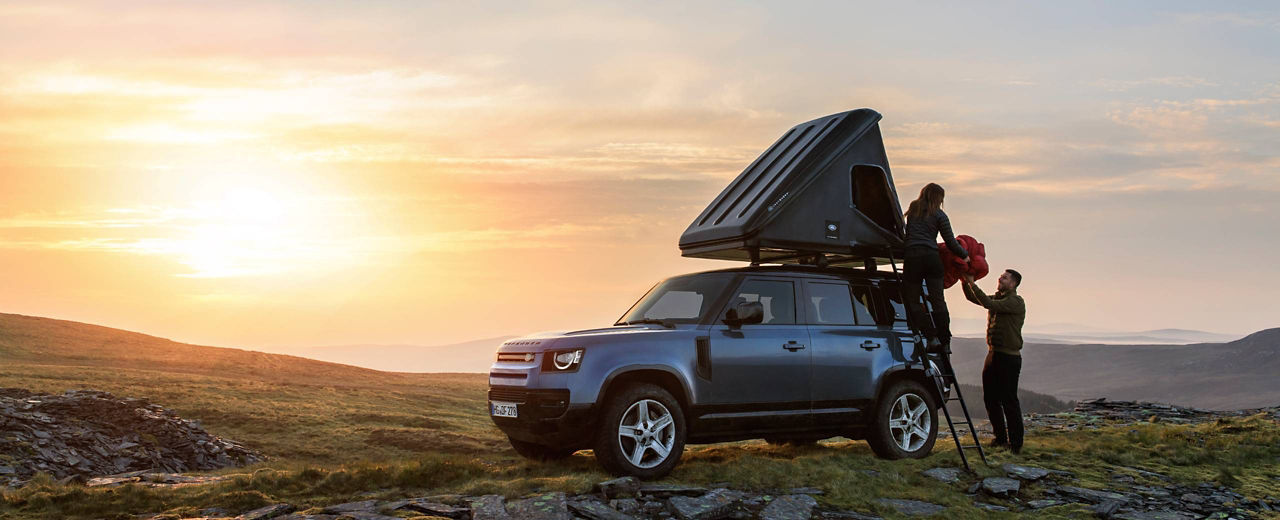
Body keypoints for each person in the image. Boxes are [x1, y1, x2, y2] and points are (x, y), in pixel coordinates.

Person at [961, 269, 1027, 454]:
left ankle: (1015, 444)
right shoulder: (1000, 298)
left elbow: (987, 303)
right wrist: (964, 282)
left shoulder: (1015, 301)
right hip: (993, 355)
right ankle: (1000, 438)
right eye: (1001, 276)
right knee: (990, 398)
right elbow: (975, 299)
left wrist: (973, 283)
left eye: (1005, 277)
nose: (1000, 278)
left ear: (1013, 284)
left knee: (1009, 400)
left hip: (1009, 357)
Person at [901, 183, 969, 352]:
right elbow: (951, 242)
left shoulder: (914, 208)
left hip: (913, 258)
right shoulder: (940, 215)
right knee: (938, 301)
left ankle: (931, 337)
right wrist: (965, 255)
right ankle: (945, 341)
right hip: (932, 259)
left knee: (912, 300)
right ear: (940, 198)